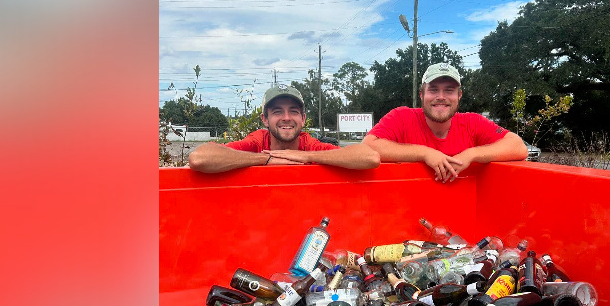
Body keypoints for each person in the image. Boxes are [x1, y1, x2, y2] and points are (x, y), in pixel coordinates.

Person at [362, 63, 528, 182]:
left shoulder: (473, 122)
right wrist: (425, 153)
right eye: (433, 89)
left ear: (459, 95)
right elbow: (368, 147)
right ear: (421, 94)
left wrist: (470, 154)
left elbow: (518, 147)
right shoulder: (401, 117)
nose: (441, 96)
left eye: (449, 90)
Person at [188, 84, 380, 173]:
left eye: (293, 111)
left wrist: (306, 156)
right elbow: (200, 158)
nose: (286, 118)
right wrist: (266, 159)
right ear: (265, 119)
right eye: (278, 111)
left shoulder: (309, 145)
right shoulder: (257, 142)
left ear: (303, 119)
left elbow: (369, 157)